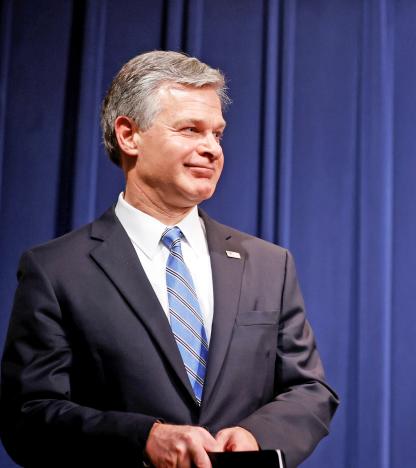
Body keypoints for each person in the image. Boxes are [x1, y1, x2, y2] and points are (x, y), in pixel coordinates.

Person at [0, 51, 338, 467]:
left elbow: (309, 391)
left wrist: (257, 436)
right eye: (190, 129)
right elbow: (28, 417)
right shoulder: (55, 271)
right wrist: (144, 439)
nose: (211, 149)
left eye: (217, 133)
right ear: (129, 135)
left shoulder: (268, 263)